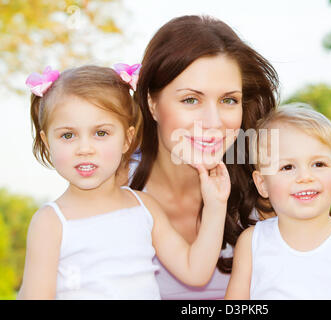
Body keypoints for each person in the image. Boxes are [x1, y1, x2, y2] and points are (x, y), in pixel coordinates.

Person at [129, 15, 331, 300]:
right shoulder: (108, 189)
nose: (212, 121)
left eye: (228, 100)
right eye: (190, 99)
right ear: (152, 103)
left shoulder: (264, 188)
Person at [18, 64, 230, 299]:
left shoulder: (144, 207)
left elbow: (196, 272)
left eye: (101, 133)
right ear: (48, 143)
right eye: (68, 135)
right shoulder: (50, 222)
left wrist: (216, 206)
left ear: (127, 139)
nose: (85, 149)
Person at [226, 104, 331, 299]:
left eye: (318, 164)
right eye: (288, 167)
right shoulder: (252, 243)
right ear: (262, 183)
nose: (305, 176)